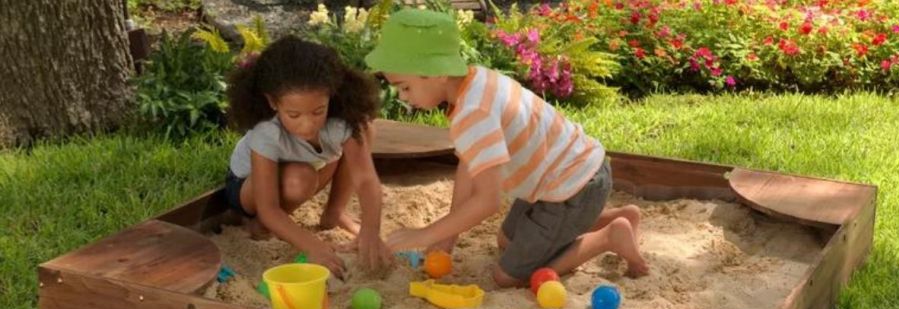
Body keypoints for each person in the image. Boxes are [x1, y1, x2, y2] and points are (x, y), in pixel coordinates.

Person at [366, 9, 648, 287]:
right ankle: (618, 217)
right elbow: (469, 164)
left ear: (437, 73)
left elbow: (488, 202)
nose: (403, 98)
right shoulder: (474, 81)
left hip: (574, 187)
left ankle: (609, 235)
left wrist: (425, 234)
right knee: (505, 241)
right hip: (560, 177)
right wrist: (447, 236)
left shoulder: (473, 112)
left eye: (405, 88)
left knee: (508, 276)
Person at [225, 36, 389, 277]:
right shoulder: (267, 132)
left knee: (362, 131)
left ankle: (334, 212)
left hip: (309, 169)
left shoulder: (342, 122)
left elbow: (365, 179)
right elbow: (269, 207)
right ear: (272, 102)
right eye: (294, 115)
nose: (307, 124)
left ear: (330, 96)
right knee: (298, 179)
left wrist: (370, 230)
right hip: (249, 188)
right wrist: (314, 246)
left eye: (318, 111)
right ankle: (259, 226)